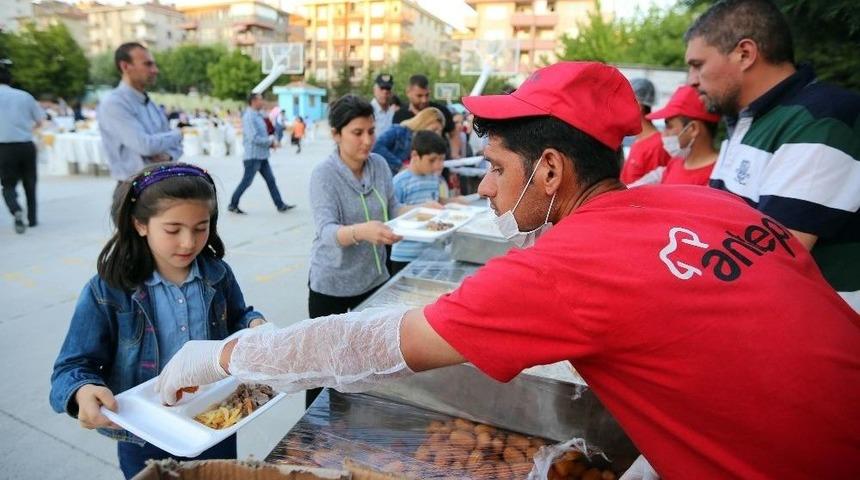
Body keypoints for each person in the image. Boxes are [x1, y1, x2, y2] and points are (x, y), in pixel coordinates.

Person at [155, 62, 860, 479]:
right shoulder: (708, 204)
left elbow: (369, 345)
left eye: (494, 168)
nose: (485, 188)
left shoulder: (570, 265)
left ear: (550, 170)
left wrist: (225, 356)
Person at [49, 163, 268, 479]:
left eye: (200, 227)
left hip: (214, 421)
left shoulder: (218, 274)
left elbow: (237, 318)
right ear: (140, 224)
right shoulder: (108, 290)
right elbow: (71, 367)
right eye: (173, 229)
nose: (188, 242)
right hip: (144, 436)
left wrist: (253, 325)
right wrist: (81, 391)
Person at [685, 0, 860, 309]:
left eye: (698, 65)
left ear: (745, 54)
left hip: (821, 331)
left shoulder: (821, 119)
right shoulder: (748, 120)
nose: (691, 80)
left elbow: (764, 261)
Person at [98, 43, 183, 209]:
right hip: (133, 189)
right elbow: (145, 145)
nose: (155, 70)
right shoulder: (114, 104)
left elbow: (177, 148)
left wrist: (168, 156)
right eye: (148, 64)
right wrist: (178, 134)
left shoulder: (150, 103)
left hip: (162, 185)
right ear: (125, 66)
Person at [628, 85, 721, 186]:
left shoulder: (716, 178)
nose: (664, 134)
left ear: (693, 129)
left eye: (669, 126)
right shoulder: (675, 163)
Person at [389, 131, 449, 276]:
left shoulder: (434, 179)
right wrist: (421, 209)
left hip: (431, 251)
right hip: (405, 255)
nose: (438, 165)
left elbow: (437, 205)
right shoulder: (399, 182)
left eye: (441, 160)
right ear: (415, 156)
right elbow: (391, 215)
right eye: (432, 160)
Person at [227, 93, 295, 215]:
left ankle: (280, 205)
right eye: (260, 100)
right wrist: (270, 142)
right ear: (253, 101)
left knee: (271, 180)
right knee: (246, 182)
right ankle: (233, 204)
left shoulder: (258, 115)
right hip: (253, 157)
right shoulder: (249, 117)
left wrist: (270, 142)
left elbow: (264, 133)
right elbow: (253, 137)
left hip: (262, 156)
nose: (262, 102)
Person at [0, 58, 45, 233]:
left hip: (4, 147)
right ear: (10, 80)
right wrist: (25, 129)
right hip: (26, 144)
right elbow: (40, 121)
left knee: (8, 184)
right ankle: (32, 219)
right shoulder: (24, 96)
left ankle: (15, 209)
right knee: (30, 183)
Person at [619, 78, 671, 185]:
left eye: (624, 102)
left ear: (638, 105)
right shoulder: (639, 140)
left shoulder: (657, 146)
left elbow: (654, 189)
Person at [392, 74, 455, 157]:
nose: (424, 100)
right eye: (419, 96)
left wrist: (455, 154)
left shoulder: (440, 111)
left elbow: (453, 133)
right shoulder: (400, 115)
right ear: (408, 92)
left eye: (427, 95)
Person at [372, 107, 446, 175]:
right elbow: (376, 146)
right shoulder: (399, 131)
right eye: (434, 130)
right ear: (423, 123)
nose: (437, 134)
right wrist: (400, 166)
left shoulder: (431, 147)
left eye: (440, 131)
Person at [371, 73, 395, 137]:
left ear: (392, 92)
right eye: (381, 88)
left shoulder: (394, 112)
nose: (385, 92)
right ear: (374, 90)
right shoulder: (367, 111)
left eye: (388, 89)